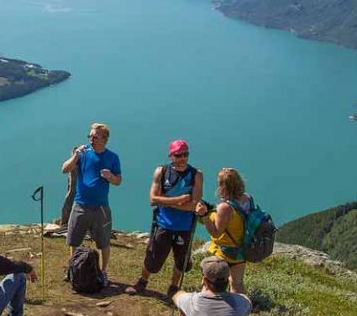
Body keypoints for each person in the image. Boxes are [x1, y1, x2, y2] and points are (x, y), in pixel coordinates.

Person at [126, 140, 203, 298]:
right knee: (153, 257)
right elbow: (152, 200)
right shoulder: (161, 171)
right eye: (178, 155)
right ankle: (142, 282)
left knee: (181, 261)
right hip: (163, 224)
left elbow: (194, 205)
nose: (182, 158)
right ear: (171, 156)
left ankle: (173, 287)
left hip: (185, 226)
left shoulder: (196, 175)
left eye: (185, 154)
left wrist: (166, 201)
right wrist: (180, 199)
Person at [61, 123, 122, 285]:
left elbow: (118, 181)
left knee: (103, 242)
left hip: (101, 207)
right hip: (80, 204)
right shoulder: (83, 154)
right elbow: (64, 169)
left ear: (105, 139)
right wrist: (76, 156)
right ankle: (73, 268)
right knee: (73, 240)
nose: (91, 139)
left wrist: (110, 176)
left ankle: (103, 272)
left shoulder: (112, 158)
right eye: (90, 136)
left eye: (95, 137)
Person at [195, 168, 251, 294]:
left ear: (223, 186)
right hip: (241, 250)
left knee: (210, 282)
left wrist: (204, 215)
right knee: (237, 283)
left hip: (224, 252)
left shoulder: (225, 207)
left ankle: (207, 307)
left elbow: (216, 232)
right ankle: (241, 311)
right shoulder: (247, 199)